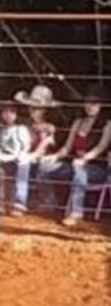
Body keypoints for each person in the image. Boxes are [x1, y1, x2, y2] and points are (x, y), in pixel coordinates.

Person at [37, 85, 111, 226]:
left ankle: (76, 212)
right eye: (87, 102)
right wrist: (54, 156)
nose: (90, 106)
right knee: (45, 167)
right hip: (75, 164)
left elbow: (101, 147)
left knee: (80, 170)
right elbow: (67, 147)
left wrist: (85, 159)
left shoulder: (107, 125)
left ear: (101, 105)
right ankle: (50, 204)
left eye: (94, 103)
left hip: (96, 169)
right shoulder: (78, 122)